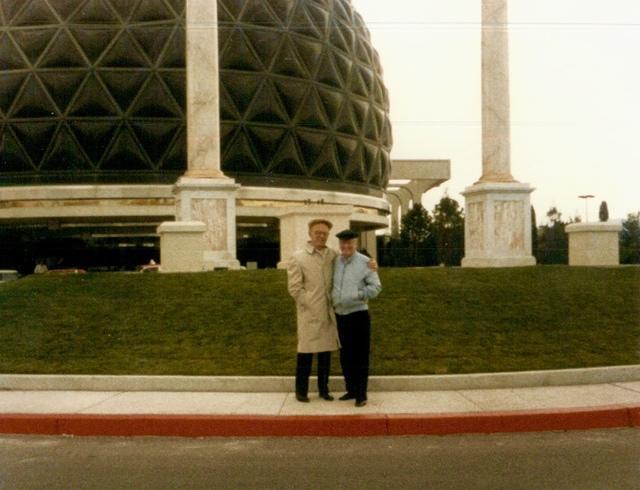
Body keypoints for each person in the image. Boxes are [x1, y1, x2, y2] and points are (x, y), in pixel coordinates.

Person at [287, 219, 340, 402]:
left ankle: (323, 390)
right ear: (310, 234)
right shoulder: (298, 257)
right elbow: (295, 288)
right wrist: (310, 304)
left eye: (325, 233)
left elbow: (351, 261)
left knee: (325, 354)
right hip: (309, 313)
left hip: (328, 313)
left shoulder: (333, 255)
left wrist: (371, 264)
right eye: (317, 232)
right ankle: (301, 391)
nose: (321, 236)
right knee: (306, 354)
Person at [331, 229, 382, 407]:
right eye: (343, 243)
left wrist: (357, 294)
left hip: (358, 314)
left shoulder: (366, 262)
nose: (346, 246)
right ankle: (351, 389)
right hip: (340, 315)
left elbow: (376, 287)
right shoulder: (336, 261)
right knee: (346, 355)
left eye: (349, 243)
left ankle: (361, 394)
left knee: (360, 355)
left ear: (355, 244)